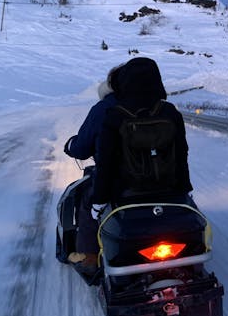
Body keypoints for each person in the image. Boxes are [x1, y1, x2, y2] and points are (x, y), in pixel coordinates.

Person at [91, 57, 193, 219]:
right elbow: (181, 155)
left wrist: (99, 201)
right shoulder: (169, 112)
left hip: (126, 197)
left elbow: (106, 163)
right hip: (170, 193)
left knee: (89, 223)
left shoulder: (115, 116)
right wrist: (185, 189)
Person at [63, 63, 123, 272]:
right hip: (163, 179)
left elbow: (81, 148)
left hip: (117, 182)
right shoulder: (159, 107)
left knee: (88, 201)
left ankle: (89, 256)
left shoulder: (104, 109)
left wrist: (71, 146)